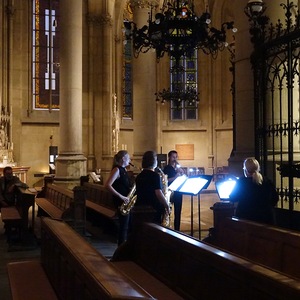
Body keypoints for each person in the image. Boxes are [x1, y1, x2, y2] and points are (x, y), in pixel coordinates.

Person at [229, 157, 279, 225]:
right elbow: (275, 198)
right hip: (265, 218)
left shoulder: (242, 182)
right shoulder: (267, 181)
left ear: (245, 169)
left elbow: (233, 197)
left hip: (246, 217)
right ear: (258, 168)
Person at [135, 151, 170, 225]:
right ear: (153, 161)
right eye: (156, 159)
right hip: (153, 206)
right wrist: (166, 205)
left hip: (140, 204)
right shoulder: (155, 175)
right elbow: (158, 193)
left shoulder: (139, 176)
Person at [105, 150, 132, 246]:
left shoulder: (124, 170)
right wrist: (121, 196)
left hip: (125, 200)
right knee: (123, 227)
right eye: (128, 158)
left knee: (126, 226)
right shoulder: (117, 169)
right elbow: (108, 185)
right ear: (123, 158)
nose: (130, 160)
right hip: (120, 201)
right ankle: (121, 249)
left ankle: (124, 247)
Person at [163, 150, 183, 230]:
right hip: (170, 193)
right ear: (169, 157)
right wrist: (176, 177)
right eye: (173, 157)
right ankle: (167, 228)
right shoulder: (167, 168)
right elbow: (165, 180)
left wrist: (182, 173)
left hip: (178, 192)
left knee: (178, 212)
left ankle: (177, 229)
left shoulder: (177, 168)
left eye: (176, 157)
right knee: (168, 211)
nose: (175, 159)